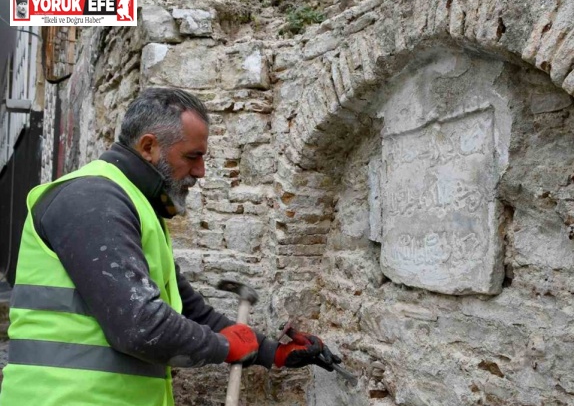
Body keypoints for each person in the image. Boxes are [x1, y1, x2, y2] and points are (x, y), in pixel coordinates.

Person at [0, 88, 340, 405]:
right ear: (149, 147)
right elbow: (141, 326)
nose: (201, 172)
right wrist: (224, 347)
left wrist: (270, 352)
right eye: (192, 157)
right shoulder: (93, 200)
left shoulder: (135, 205)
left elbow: (190, 309)